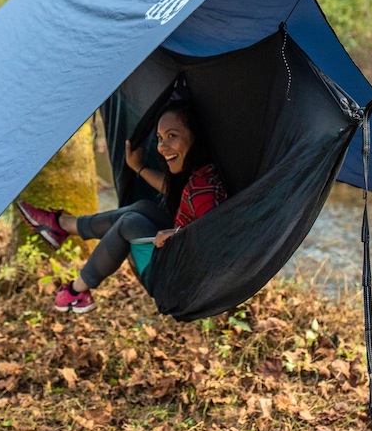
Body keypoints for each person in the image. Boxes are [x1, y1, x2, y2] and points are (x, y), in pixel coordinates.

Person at [16, 100, 227, 313]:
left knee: (130, 223)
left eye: (172, 136)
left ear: (195, 136)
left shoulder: (203, 192)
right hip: (178, 258)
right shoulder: (204, 172)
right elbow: (179, 194)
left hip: (180, 282)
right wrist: (140, 167)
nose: (162, 147)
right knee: (143, 207)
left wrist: (176, 234)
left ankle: (76, 291)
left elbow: (212, 240)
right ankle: (62, 226)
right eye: (160, 138)